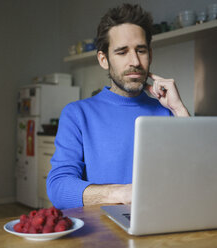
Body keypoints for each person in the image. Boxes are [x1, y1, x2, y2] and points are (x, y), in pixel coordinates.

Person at [47, 3, 190, 209]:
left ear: (150, 54)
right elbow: (58, 188)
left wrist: (179, 110)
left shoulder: (168, 112)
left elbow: (197, 175)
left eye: (141, 51)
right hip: (100, 233)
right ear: (104, 59)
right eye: (122, 52)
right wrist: (123, 193)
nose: (135, 61)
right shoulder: (77, 114)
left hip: (160, 228)